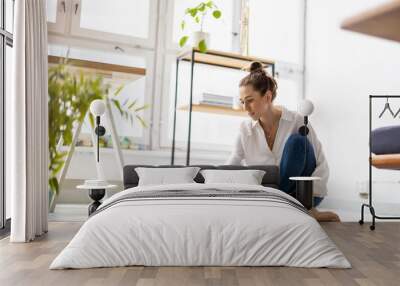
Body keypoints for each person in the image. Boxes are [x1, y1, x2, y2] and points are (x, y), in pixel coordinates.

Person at [227, 61, 339, 221]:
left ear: (267, 96)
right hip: (267, 193)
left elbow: (320, 163)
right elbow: (233, 161)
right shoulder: (245, 129)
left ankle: (286, 205)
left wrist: (313, 194)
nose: (245, 107)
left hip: (304, 193)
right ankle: (300, 212)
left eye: (250, 100)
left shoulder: (297, 120)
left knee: (297, 142)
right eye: (242, 101)